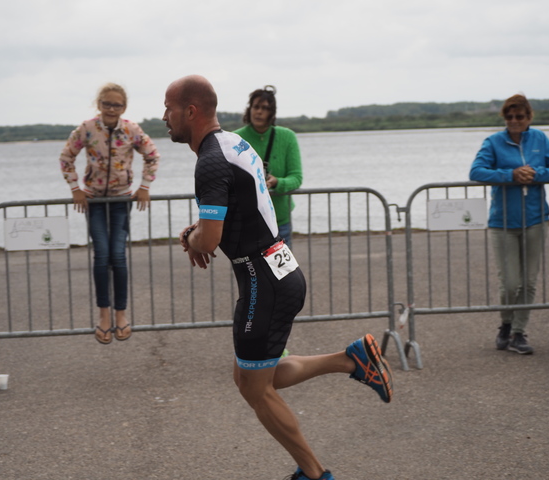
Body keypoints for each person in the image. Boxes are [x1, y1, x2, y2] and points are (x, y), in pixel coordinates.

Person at [163, 75, 393, 480]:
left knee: (255, 388)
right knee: (250, 375)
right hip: (278, 271)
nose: (164, 116)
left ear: (191, 111)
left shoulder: (211, 162)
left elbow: (211, 236)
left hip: (262, 283)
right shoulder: (234, 144)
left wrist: (192, 237)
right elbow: (231, 218)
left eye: (169, 108)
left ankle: (315, 473)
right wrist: (197, 235)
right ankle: (351, 359)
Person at [60, 83, 160, 344]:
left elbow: (152, 155)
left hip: (120, 200)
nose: (111, 109)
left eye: (116, 105)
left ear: (123, 107)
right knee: (101, 254)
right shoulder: (87, 128)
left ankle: (121, 314)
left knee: (118, 255)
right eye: (106, 104)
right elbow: (66, 157)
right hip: (93, 200)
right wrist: (76, 189)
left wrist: (144, 187)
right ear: (99, 104)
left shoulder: (131, 129)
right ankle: (103, 314)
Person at [469, 93, 549, 354]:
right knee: (510, 283)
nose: (514, 120)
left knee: (529, 282)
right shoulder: (493, 142)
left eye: (519, 116)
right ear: (504, 118)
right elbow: (476, 172)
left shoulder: (540, 139)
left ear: (528, 117)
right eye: (509, 116)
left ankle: (519, 334)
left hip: (535, 220)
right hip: (502, 223)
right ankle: (506, 324)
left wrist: (536, 174)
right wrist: (510, 174)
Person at [235, 86, 302, 247]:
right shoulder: (236, 138)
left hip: (280, 221)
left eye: (264, 108)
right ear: (249, 109)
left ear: (272, 113)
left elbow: (297, 177)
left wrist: (276, 182)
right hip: (248, 220)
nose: (259, 112)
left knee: (284, 272)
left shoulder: (287, 137)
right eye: (256, 107)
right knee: (251, 271)